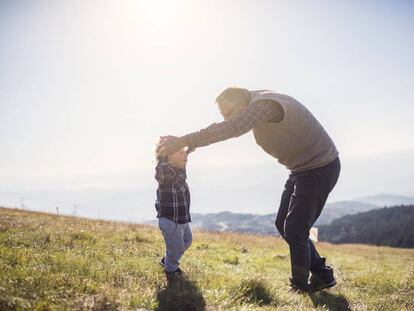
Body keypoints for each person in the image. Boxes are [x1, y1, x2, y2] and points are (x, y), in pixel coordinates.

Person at [157, 87, 341, 292]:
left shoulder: (265, 104)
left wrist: (186, 140)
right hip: (301, 170)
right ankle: (322, 273)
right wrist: (190, 145)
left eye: (228, 112)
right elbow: (232, 124)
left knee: (296, 228)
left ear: (242, 101)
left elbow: (234, 127)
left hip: (320, 168)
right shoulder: (257, 104)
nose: (226, 119)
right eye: (223, 115)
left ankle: (299, 286)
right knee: (283, 223)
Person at [155, 136, 192, 276]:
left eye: (185, 152)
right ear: (168, 156)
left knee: (187, 241)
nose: (185, 156)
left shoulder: (180, 170)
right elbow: (164, 166)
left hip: (182, 219)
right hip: (170, 220)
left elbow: (182, 161)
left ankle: (166, 261)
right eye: (180, 153)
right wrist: (164, 154)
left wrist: (189, 148)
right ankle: (171, 271)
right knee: (177, 248)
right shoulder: (164, 172)